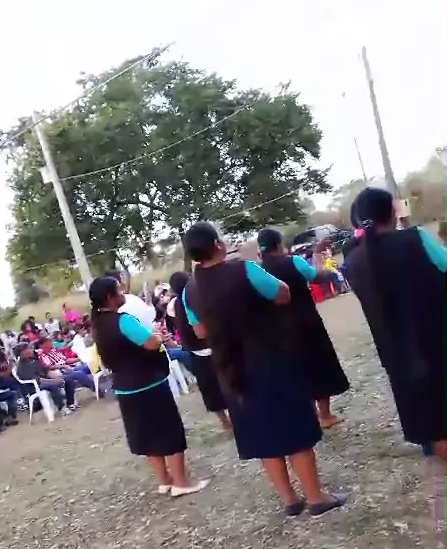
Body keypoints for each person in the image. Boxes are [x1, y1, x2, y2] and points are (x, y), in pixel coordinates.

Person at [182, 221, 347, 516]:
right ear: (217, 245)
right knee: (294, 429)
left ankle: (291, 500)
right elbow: (283, 294)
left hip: (231, 370)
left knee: (262, 435)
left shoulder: (190, 290)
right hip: (271, 359)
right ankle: (316, 497)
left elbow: (200, 330)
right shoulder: (244, 270)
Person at [344, 187, 447, 462]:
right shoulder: (415, 238)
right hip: (436, 342)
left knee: (433, 425)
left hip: (398, 355)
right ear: (392, 211)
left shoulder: (353, 259)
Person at [89, 274, 207, 496]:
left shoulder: (97, 325)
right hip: (148, 383)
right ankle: (181, 482)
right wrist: (158, 337)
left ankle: (164, 480)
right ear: (110, 297)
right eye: (119, 290)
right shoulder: (122, 320)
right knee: (169, 431)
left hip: (125, 388)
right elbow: (151, 343)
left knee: (146, 435)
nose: (123, 293)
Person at [257, 228, 349, 429]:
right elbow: (318, 276)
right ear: (278, 244)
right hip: (307, 324)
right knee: (319, 367)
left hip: (278, 331)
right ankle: (325, 416)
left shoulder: (258, 271)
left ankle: (310, 417)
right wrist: (317, 254)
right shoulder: (294, 262)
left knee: (296, 371)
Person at [169, 270, 232, 432]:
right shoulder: (195, 296)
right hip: (211, 346)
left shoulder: (176, 304)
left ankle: (225, 422)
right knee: (227, 382)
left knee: (210, 388)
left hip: (195, 350)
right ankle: (234, 417)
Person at [15, 343, 74, 415]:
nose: (31, 350)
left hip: (45, 379)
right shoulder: (21, 367)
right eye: (28, 350)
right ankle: (62, 408)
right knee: (53, 385)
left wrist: (57, 376)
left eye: (30, 349)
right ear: (21, 353)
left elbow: (45, 370)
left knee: (68, 379)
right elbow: (37, 380)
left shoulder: (33, 359)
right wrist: (53, 381)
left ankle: (70, 404)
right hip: (35, 387)